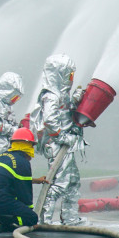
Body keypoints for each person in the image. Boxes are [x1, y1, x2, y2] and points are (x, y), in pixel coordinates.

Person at [31, 54, 86, 225]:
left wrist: (76, 98)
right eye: (69, 74)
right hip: (57, 146)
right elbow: (50, 120)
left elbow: (65, 112)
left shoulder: (61, 95)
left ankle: (70, 218)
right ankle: (45, 220)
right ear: (60, 73)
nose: (71, 78)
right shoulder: (51, 95)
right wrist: (64, 137)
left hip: (65, 145)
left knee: (73, 182)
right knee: (59, 183)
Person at [0, 127, 44, 232]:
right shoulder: (22, 162)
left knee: (15, 208)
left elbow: (11, 179)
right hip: (0, 199)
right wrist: (29, 214)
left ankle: (3, 221)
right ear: (27, 145)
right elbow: (24, 192)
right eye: (31, 145)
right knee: (31, 218)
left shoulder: (4, 156)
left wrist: (37, 180)